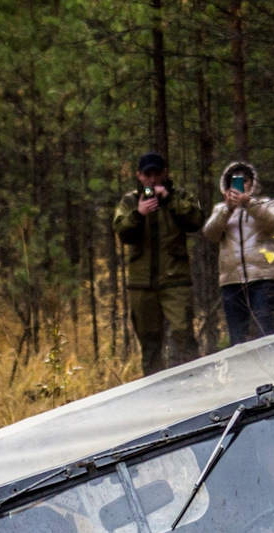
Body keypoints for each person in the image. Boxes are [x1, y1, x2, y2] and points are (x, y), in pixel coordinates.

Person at [112, 151, 206, 375]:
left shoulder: (180, 196)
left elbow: (196, 221)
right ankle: (154, 392)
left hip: (175, 281)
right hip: (142, 284)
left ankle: (194, 384)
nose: (152, 180)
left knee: (184, 335)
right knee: (149, 342)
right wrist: (139, 213)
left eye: (156, 173)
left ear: (165, 173)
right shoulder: (130, 201)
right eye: (147, 175)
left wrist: (170, 200)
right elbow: (122, 232)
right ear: (139, 175)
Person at [202, 160, 274, 346]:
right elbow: (210, 233)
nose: (241, 185)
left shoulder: (266, 203)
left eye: (245, 180)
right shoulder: (220, 209)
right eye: (235, 181)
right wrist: (227, 210)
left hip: (263, 278)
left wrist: (250, 204)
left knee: (265, 336)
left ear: (253, 182)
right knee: (237, 339)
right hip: (232, 281)